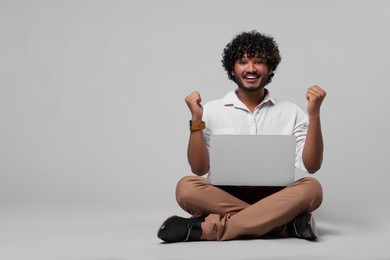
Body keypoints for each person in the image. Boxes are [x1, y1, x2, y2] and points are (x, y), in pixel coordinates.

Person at [157, 30, 327, 242]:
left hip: (276, 196)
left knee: (312, 188)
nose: (251, 69)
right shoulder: (211, 110)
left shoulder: (291, 111)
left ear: (270, 68)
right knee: (185, 187)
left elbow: (311, 166)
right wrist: (196, 119)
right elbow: (199, 169)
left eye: (259, 62)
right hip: (224, 196)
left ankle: (211, 229)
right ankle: (283, 225)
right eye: (243, 62)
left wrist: (314, 114)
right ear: (232, 68)